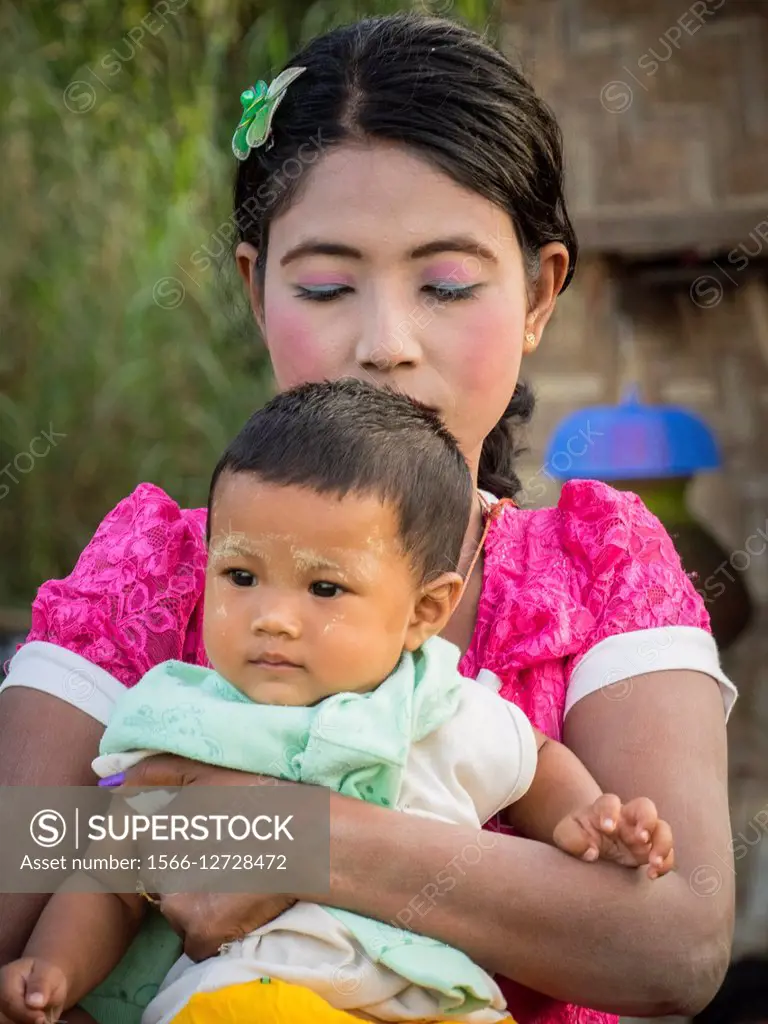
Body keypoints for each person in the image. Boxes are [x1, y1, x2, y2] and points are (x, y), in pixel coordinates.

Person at [0, 11, 737, 1024]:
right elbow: (17, 858)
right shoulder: (154, 567)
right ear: (258, 290)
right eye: (328, 285)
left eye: (444, 284)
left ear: (537, 293)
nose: (386, 342)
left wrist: (299, 834)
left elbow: (677, 942)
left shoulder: (596, 568)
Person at [0, 381, 677, 1024]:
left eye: (324, 589)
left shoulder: (441, 708)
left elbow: (534, 760)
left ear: (425, 610)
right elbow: (112, 878)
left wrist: (588, 820)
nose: (273, 618)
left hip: (431, 1002)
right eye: (240, 576)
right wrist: (52, 968)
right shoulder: (185, 722)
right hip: (253, 999)